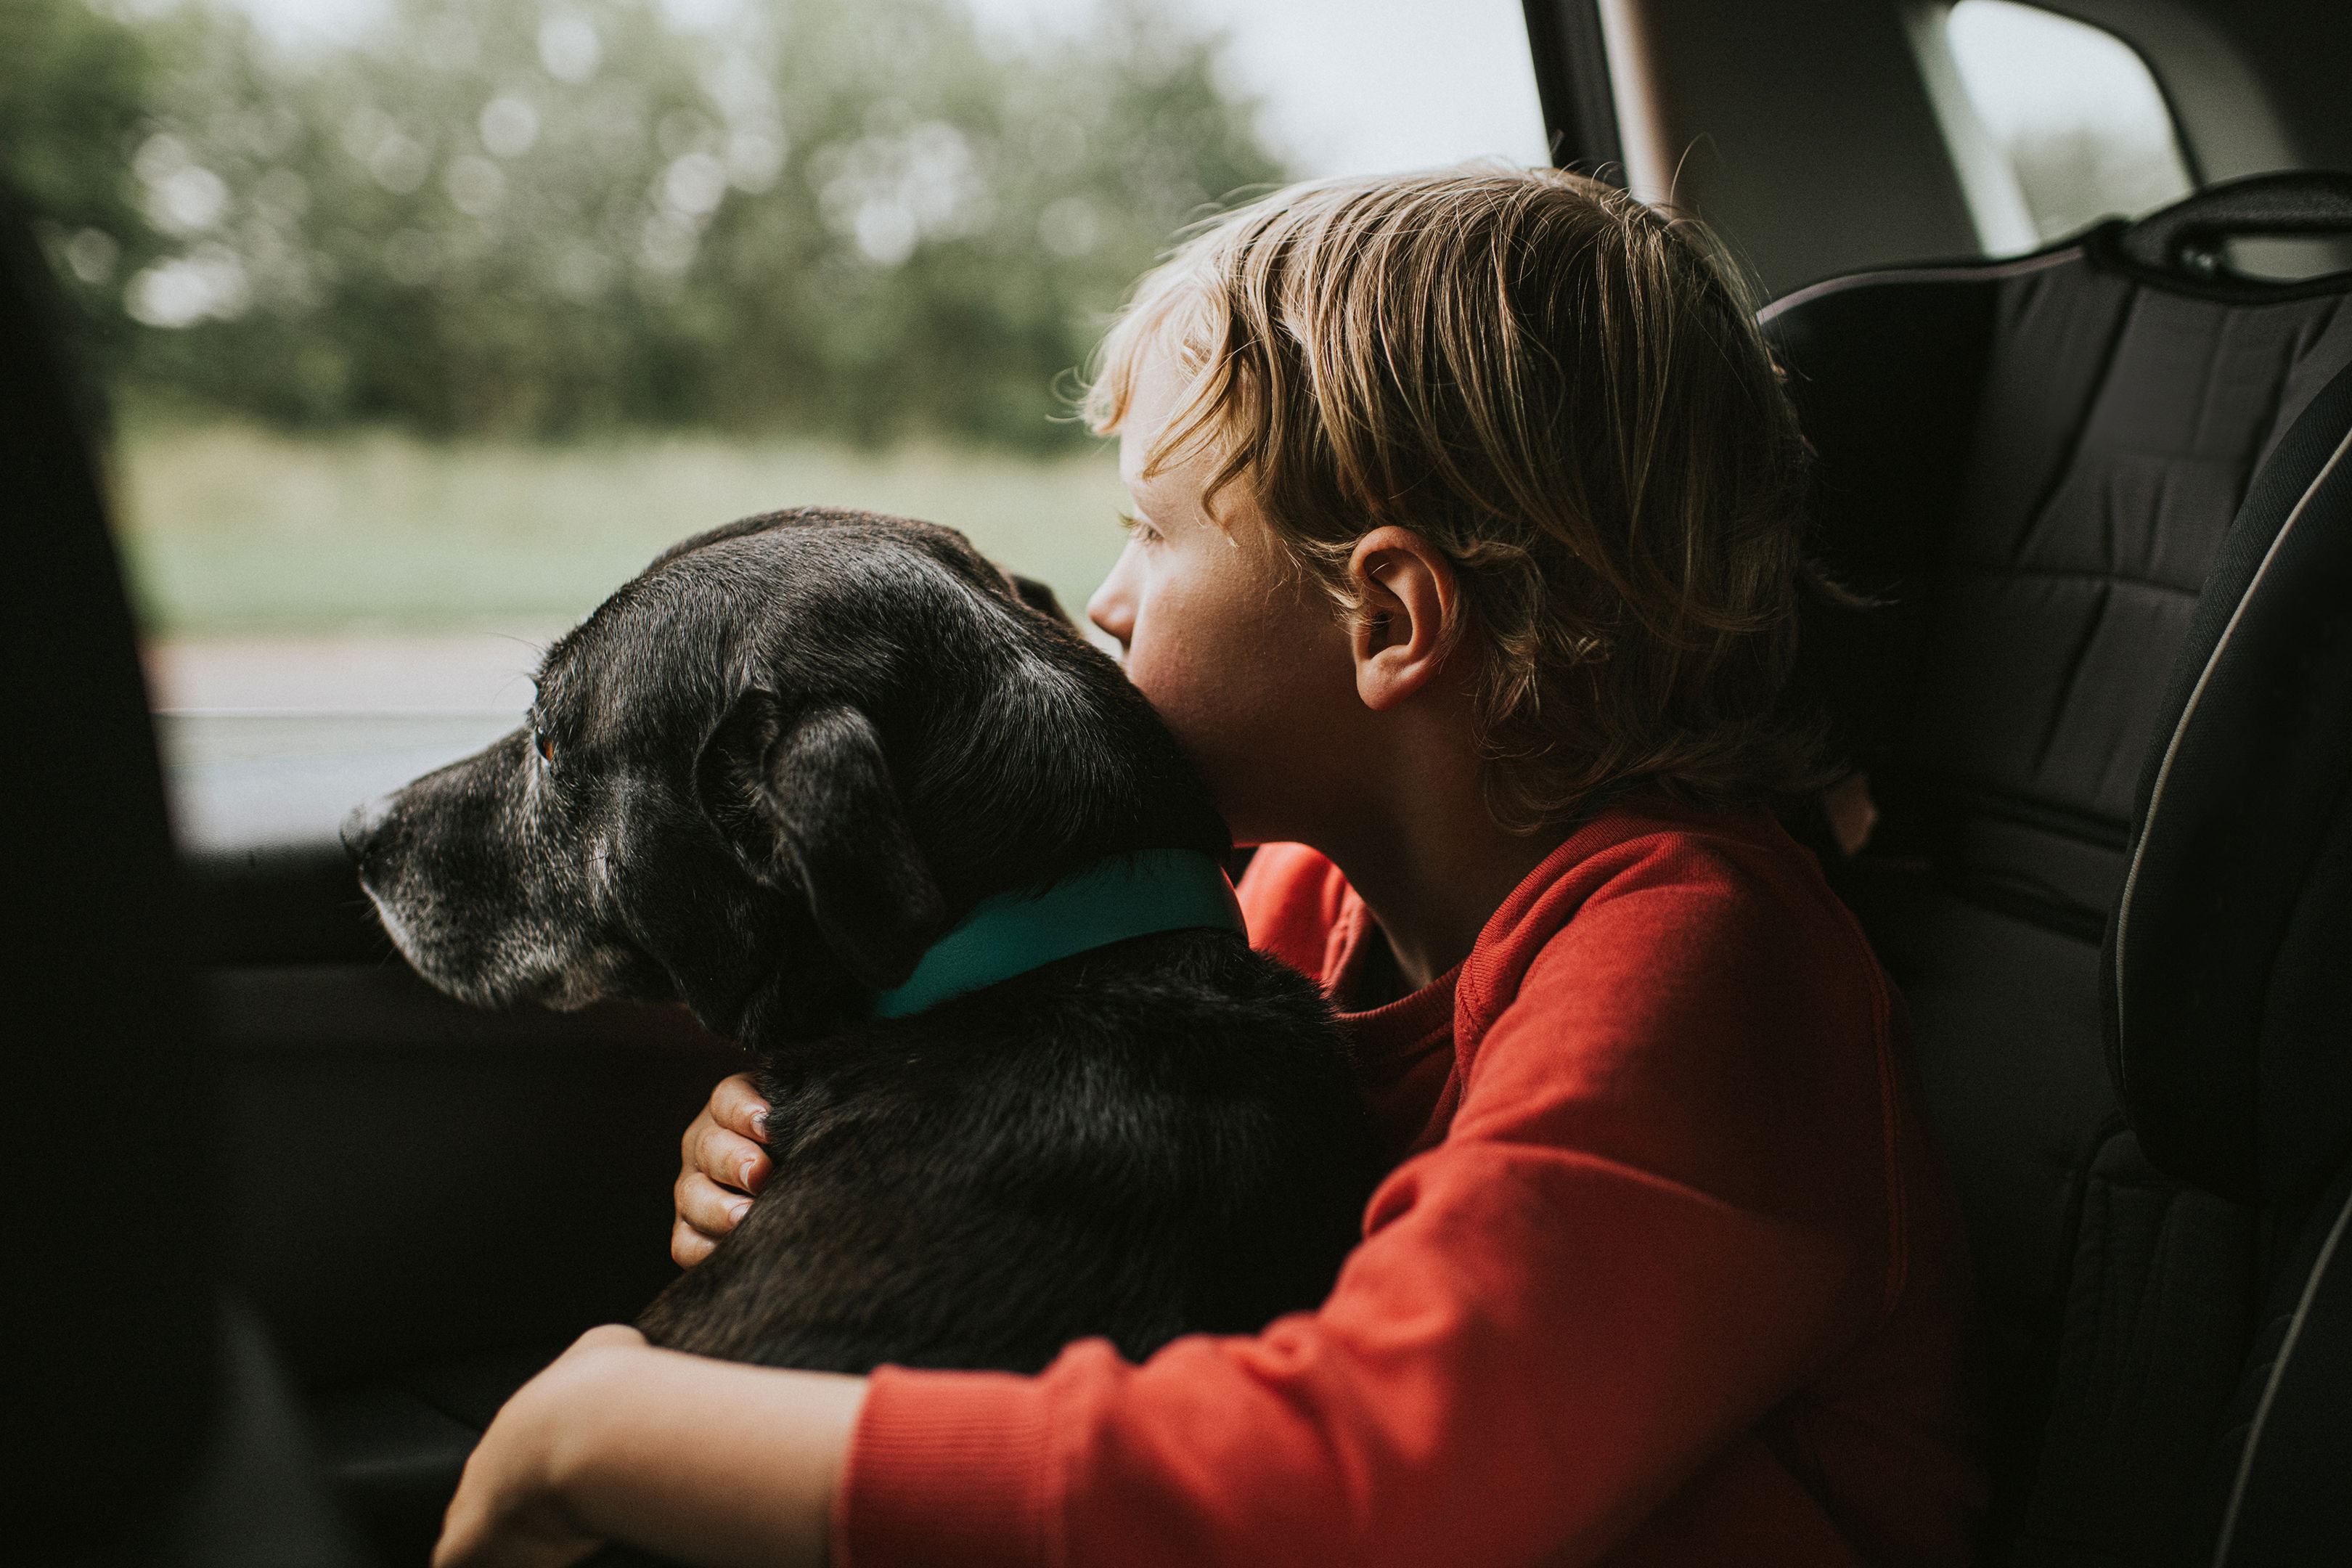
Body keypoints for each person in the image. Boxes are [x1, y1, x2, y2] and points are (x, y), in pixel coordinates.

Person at [433, 166, 1980, 1568]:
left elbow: (1356, 1488)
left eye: (1152, 535)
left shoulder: (1697, 964)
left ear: (1388, 618)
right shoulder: (1303, 902)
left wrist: (613, 1432)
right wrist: (817, 1143)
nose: (1102, 606)